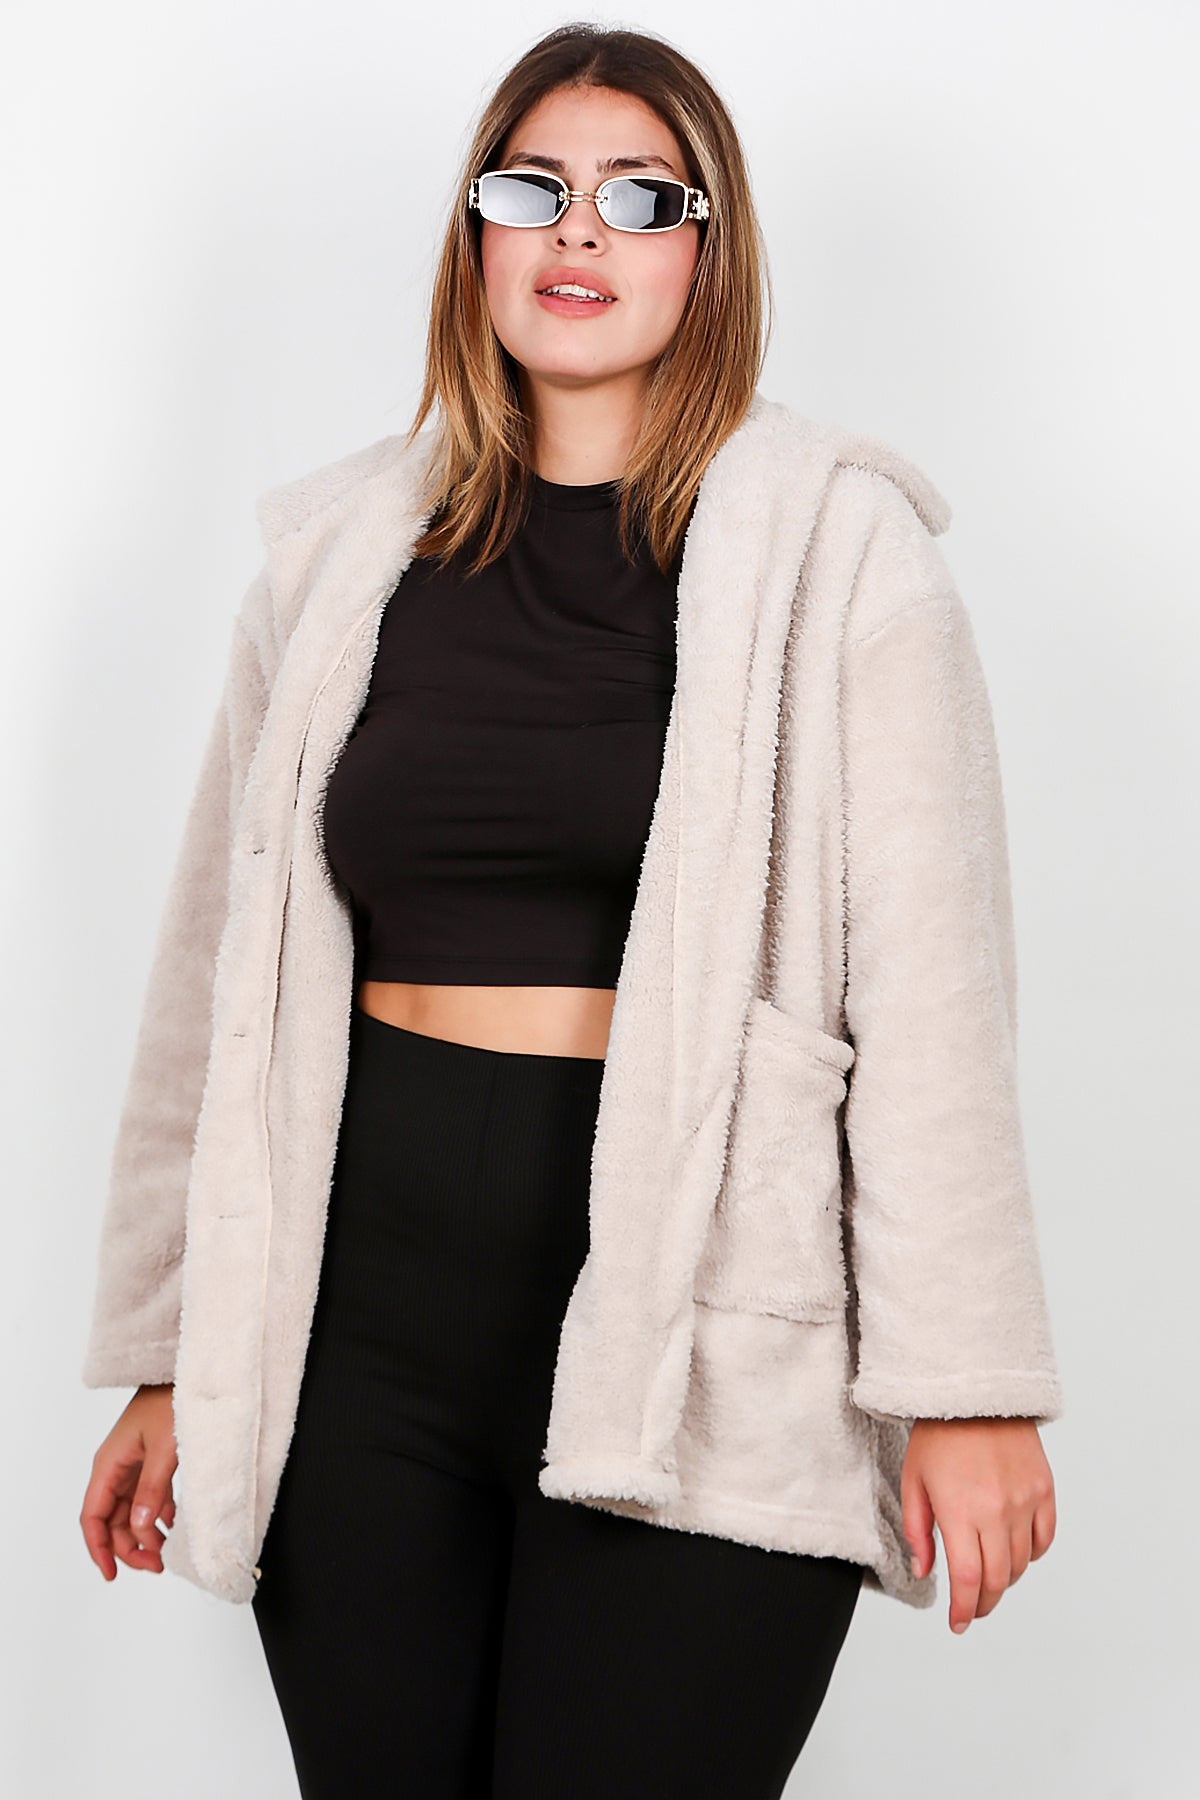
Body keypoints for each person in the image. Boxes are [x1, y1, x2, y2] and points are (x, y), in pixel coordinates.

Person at [79, 21, 1063, 1798]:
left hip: (706, 1321)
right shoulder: (334, 559)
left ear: (709, 250)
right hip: (357, 1328)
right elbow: (216, 977)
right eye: (531, 188)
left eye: (640, 197)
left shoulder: (844, 555)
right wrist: (169, 1348)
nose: (580, 230)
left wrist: (970, 1380)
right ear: (477, 234)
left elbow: (932, 995)